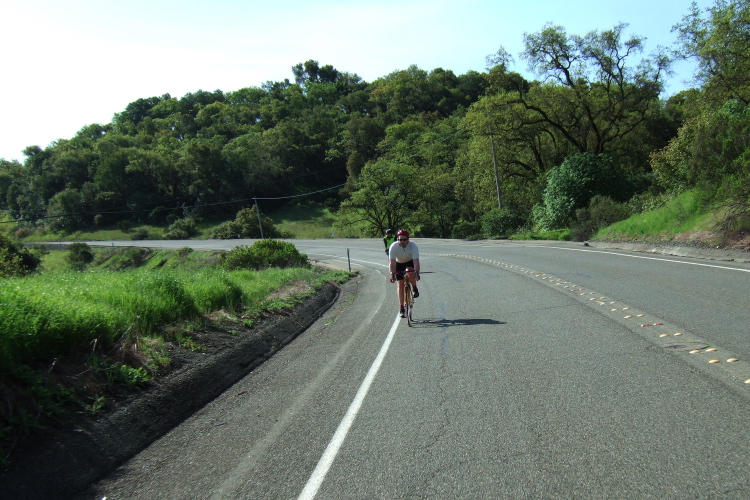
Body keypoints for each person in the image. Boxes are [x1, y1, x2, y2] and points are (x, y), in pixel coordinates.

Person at [388, 229, 420, 317]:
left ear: (408, 239)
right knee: (400, 284)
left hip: (409, 262)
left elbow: (416, 261)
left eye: (404, 239)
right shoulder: (393, 246)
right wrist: (392, 273)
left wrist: (417, 272)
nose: (401, 241)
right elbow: (392, 262)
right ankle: (401, 307)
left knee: (410, 271)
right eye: (399, 239)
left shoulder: (413, 246)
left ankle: (414, 288)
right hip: (398, 263)